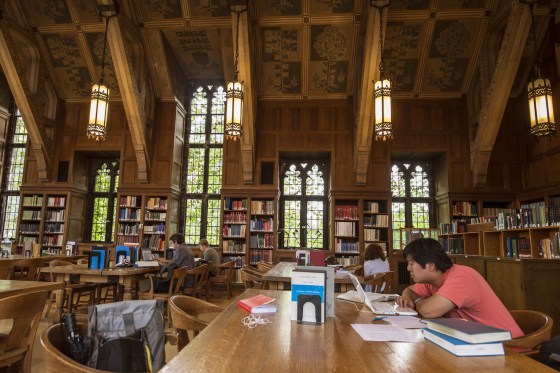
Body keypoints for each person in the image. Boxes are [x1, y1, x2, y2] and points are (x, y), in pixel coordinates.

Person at [395, 237, 524, 338]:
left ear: (430, 265)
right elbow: (409, 290)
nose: (408, 268)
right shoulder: (432, 280)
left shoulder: (462, 276)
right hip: (475, 340)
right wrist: (407, 299)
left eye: (411, 264)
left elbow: (429, 311)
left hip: (507, 347)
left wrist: (417, 300)